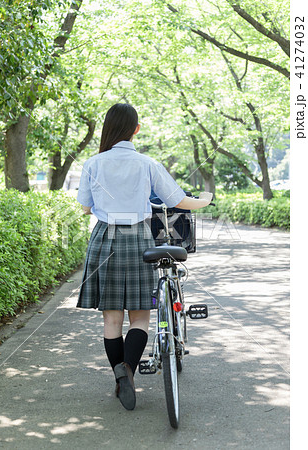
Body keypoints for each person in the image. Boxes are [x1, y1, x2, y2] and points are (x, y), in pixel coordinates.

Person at [76, 103, 212, 411]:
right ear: (136, 129)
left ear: (107, 129)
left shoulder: (92, 163)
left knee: (111, 318)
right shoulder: (146, 163)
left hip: (104, 239)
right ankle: (129, 372)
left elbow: (85, 207)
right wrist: (203, 201)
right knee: (140, 317)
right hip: (138, 237)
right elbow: (178, 201)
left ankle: (119, 377)